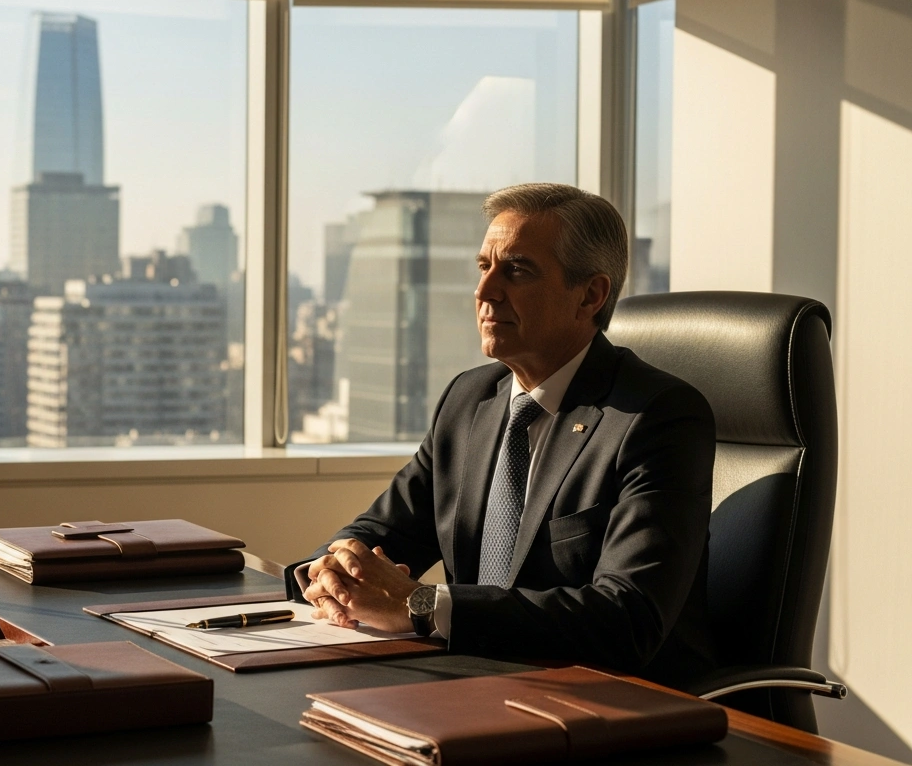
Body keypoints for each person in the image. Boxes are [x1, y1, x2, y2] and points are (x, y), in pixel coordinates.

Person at [288, 183, 717, 685]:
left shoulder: (657, 417)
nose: (485, 291)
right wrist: (333, 572)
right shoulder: (469, 399)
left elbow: (626, 619)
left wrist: (422, 604)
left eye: (516, 270)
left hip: (608, 700)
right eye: (483, 267)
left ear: (590, 295)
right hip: (471, 682)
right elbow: (383, 532)